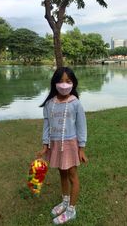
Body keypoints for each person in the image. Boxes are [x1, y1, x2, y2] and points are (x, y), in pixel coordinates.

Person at [37, 66, 88, 225]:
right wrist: (45, 145)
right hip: (55, 144)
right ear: (54, 83)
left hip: (70, 145)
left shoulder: (75, 103)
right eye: (60, 81)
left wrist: (82, 148)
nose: (64, 84)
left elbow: (82, 126)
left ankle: (71, 209)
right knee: (62, 174)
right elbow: (47, 125)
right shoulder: (49, 104)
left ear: (73, 83)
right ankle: (65, 202)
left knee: (72, 176)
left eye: (68, 81)